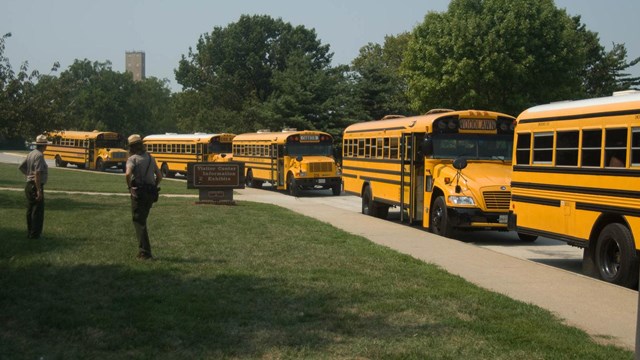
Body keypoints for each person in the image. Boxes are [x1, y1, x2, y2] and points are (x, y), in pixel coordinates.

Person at [125, 134, 162, 260]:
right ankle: (143, 251)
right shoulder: (151, 158)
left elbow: (128, 174)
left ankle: (145, 253)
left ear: (131, 147)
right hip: (150, 194)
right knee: (143, 220)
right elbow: (160, 176)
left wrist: (130, 188)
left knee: (138, 221)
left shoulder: (132, 159)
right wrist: (153, 186)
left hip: (139, 194)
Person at [19, 134, 50, 239]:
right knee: (37, 211)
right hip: (35, 185)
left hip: (29, 185)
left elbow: (21, 167)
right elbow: (37, 173)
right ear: (44, 145)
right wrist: (38, 190)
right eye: (46, 144)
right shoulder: (39, 156)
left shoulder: (31, 153)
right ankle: (35, 234)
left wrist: (28, 175)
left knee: (30, 210)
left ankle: (30, 232)